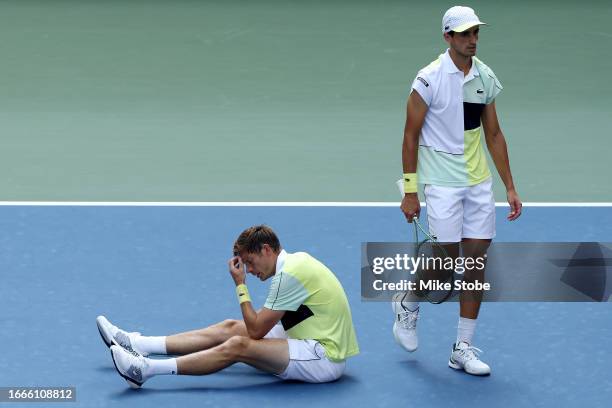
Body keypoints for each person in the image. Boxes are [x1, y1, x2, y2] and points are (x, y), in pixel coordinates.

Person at [393, 6, 522, 376]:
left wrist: (509, 186)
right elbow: (410, 135)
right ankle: (408, 301)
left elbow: (493, 134)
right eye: (464, 34)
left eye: (475, 33)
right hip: (443, 184)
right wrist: (410, 191)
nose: (472, 40)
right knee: (446, 262)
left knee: (476, 262)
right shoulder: (429, 79)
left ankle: (462, 348)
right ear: (448, 37)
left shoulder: (485, 76)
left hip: (478, 183)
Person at [97, 225, 359, 388]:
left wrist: (240, 284)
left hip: (324, 357)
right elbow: (253, 325)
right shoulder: (294, 264)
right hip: (305, 336)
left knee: (239, 345)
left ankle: (144, 369)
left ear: (266, 249)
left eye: (250, 262)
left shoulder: (290, 275)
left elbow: (256, 331)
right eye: (245, 266)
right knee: (231, 327)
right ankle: (139, 344)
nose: (250, 270)